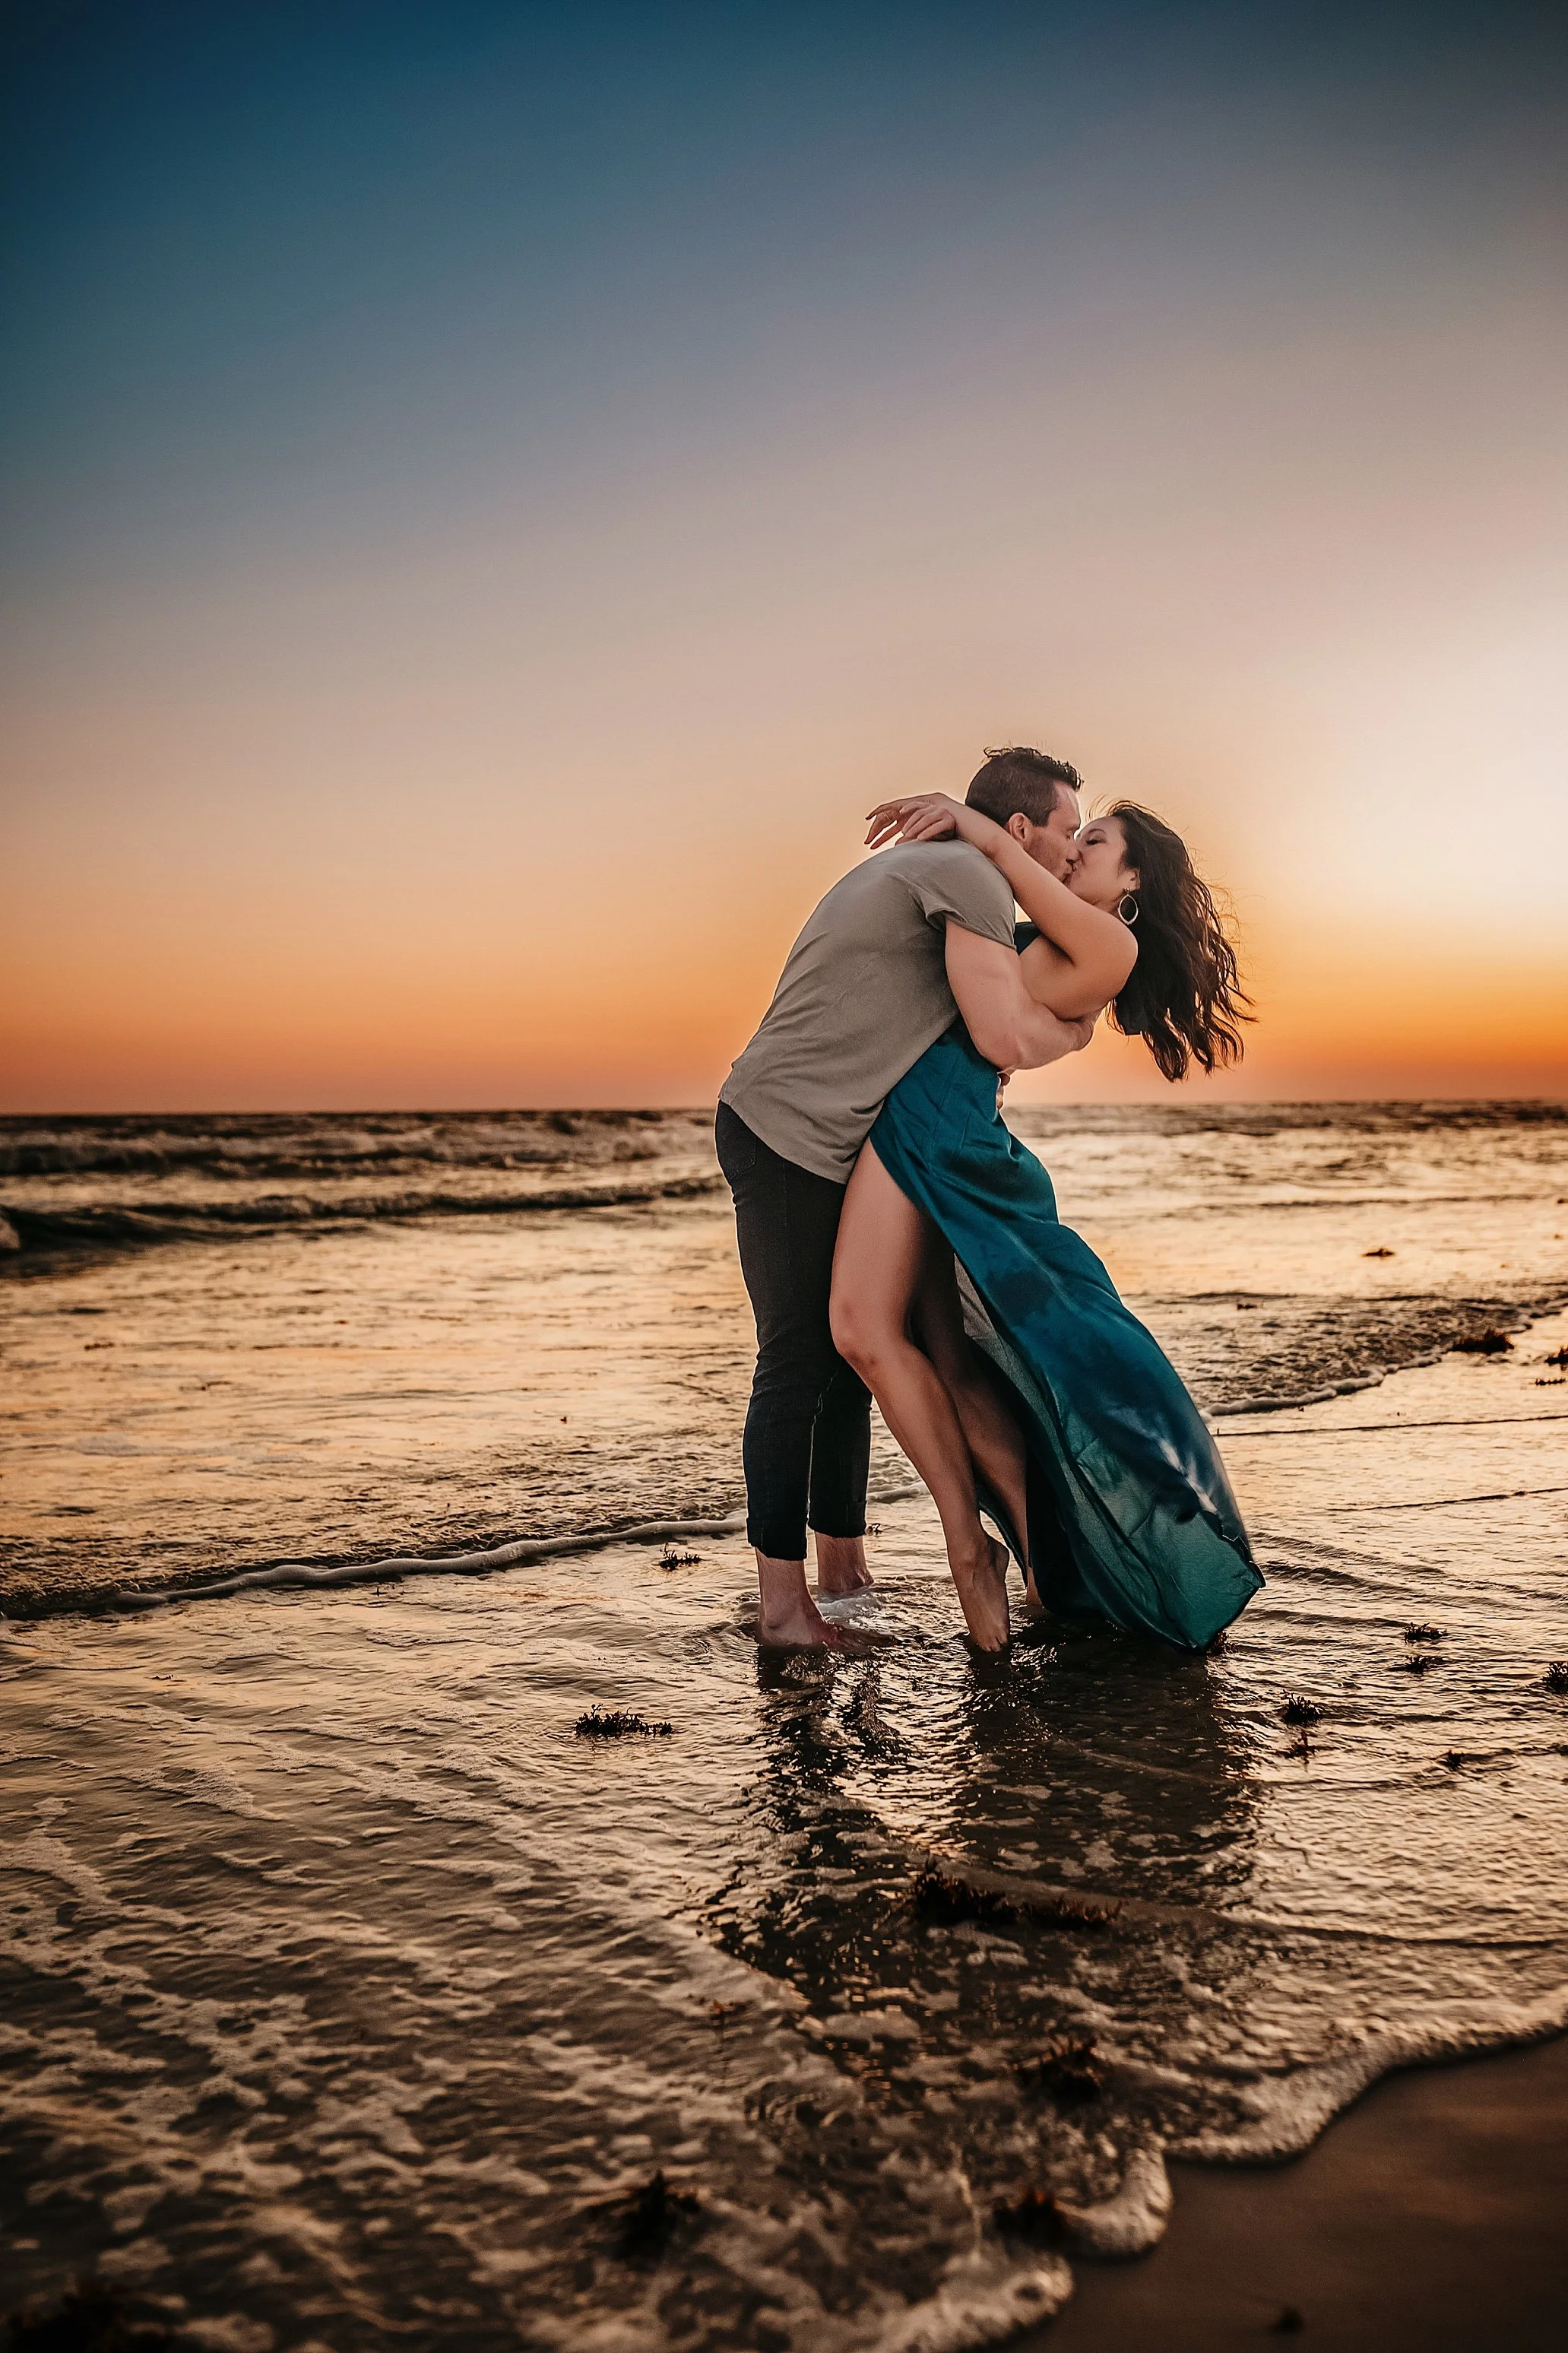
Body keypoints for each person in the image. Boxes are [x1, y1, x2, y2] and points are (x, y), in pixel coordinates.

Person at [828, 788, 1263, 1652]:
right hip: (936, 1119)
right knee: (950, 1355)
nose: (1076, 850)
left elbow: (1017, 900)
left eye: (1095, 840)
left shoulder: (1111, 938)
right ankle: (1038, 1557)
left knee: (864, 1328)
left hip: (935, 1123)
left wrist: (972, 821)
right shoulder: (1071, 937)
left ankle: (984, 1550)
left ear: (1132, 877)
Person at [716, 748, 1096, 1650]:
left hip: (821, 1131)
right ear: (1018, 830)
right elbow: (997, 1029)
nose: (1073, 852)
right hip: (787, 1130)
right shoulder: (969, 878)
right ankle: (782, 1608)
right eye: (1068, 831)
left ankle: (840, 1574)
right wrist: (1073, 1028)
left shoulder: (942, 866)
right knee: (797, 1361)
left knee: (846, 1359)